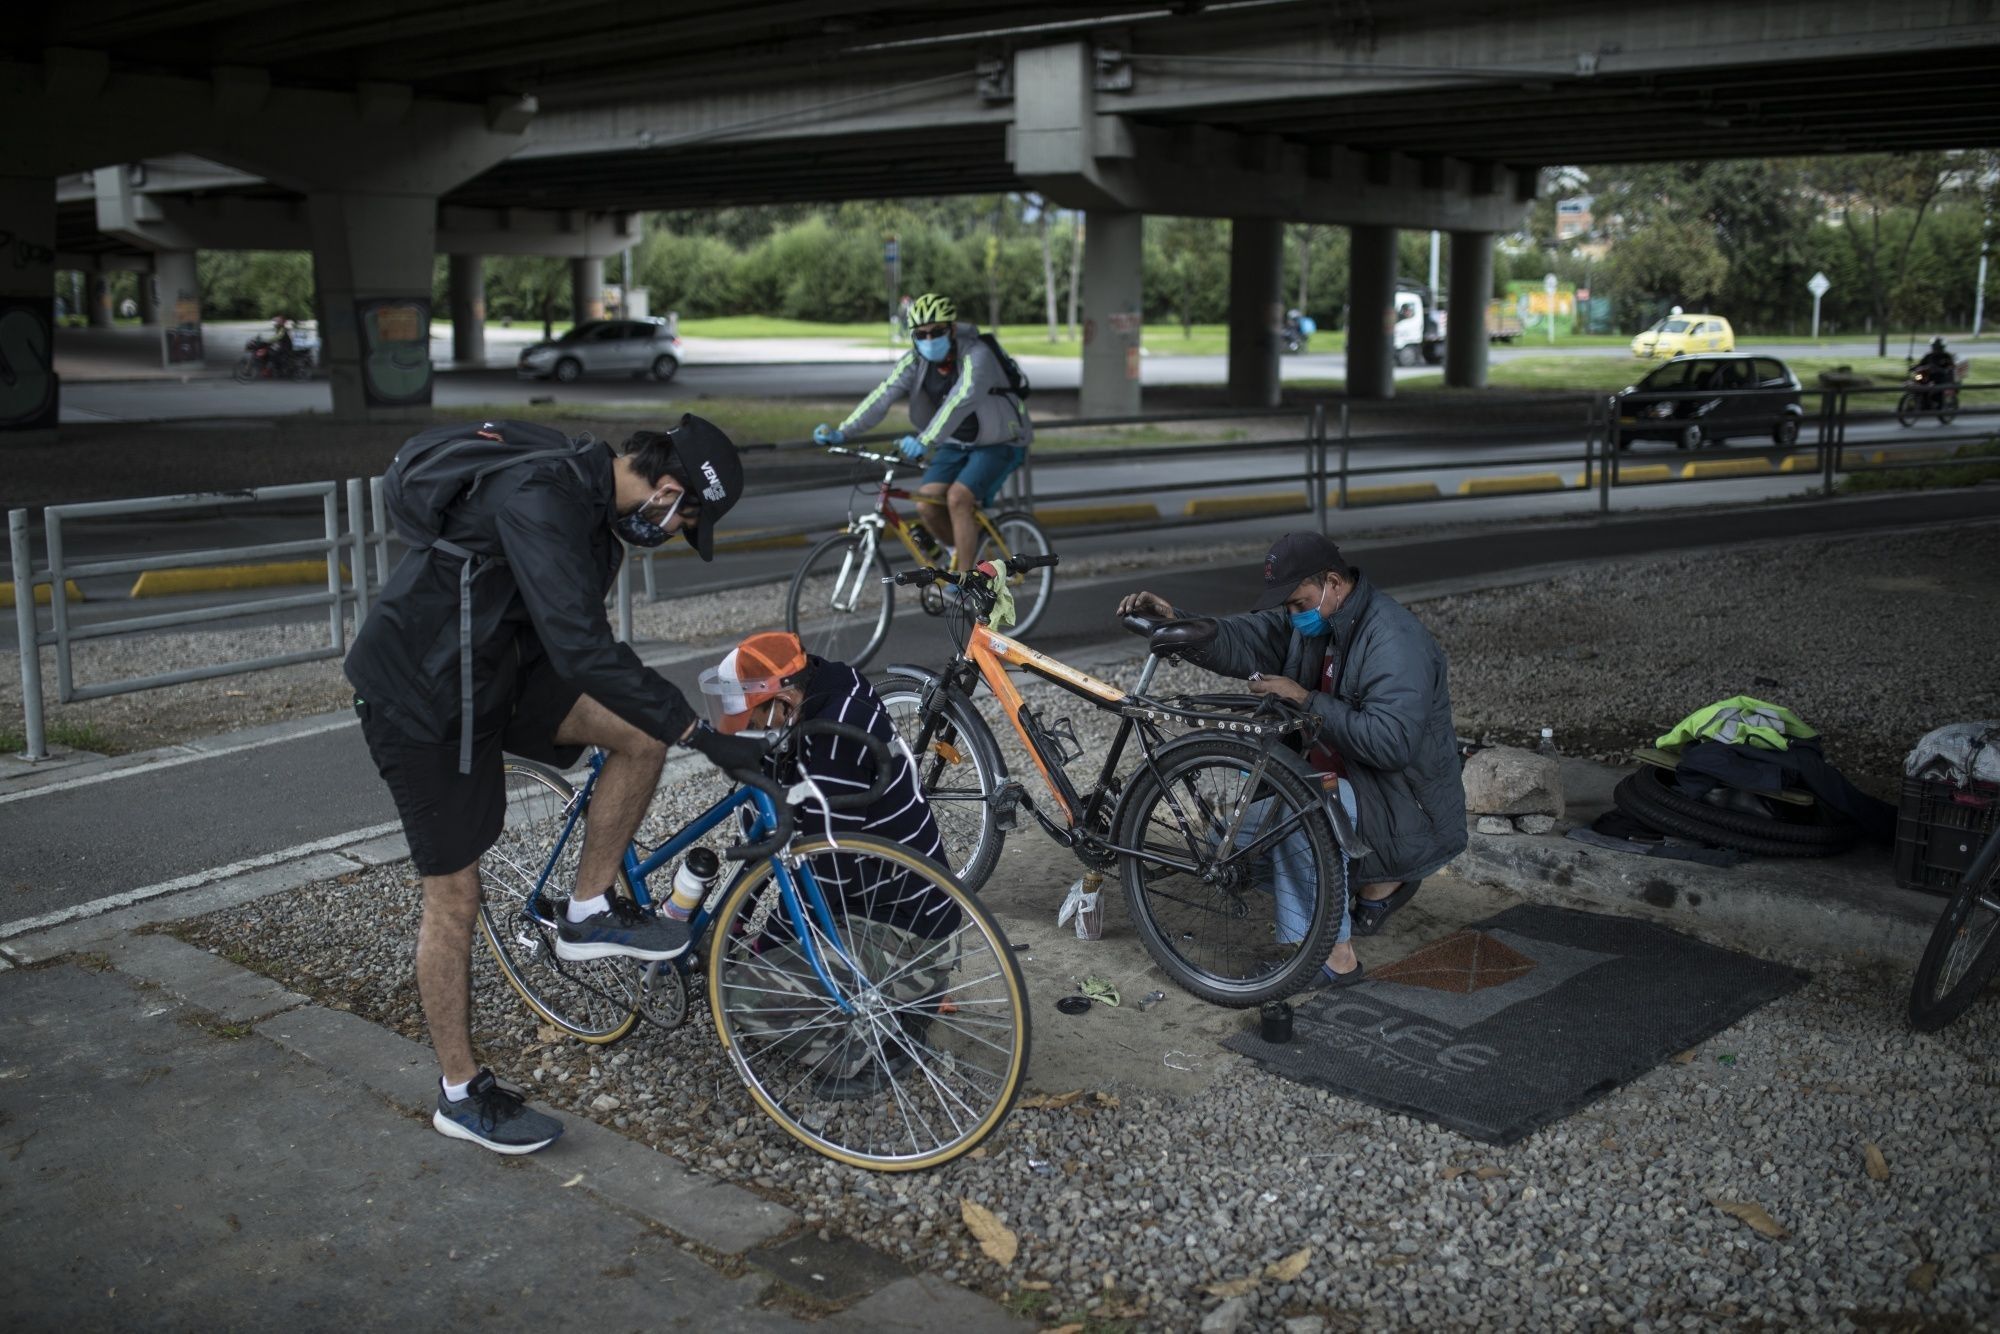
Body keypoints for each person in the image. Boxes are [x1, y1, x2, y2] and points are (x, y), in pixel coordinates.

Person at [345, 414, 766, 1155]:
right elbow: (582, 643)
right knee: (455, 897)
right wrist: (697, 733)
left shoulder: (593, 503)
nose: (670, 534)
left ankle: (588, 906)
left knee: (637, 738)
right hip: (424, 694)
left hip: (499, 672)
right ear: (667, 492)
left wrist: (670, 725)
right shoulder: (542, 495)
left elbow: (571, 643)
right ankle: (459, 1092)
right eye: (681, 522)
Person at [1116, 532, 1467, 985]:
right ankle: (1371, 884)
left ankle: (1334, 958)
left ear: (1334, 583)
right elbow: (1242, 636)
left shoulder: (1394, 640)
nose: (1292, 615)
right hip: (1350, 788)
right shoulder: (1316, 621)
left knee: (1303, 814)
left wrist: (1304, 698)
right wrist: (1179, 623)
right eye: (1289, 607)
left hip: (1401, 806)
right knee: (1229, 843)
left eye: (1299, 603)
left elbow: (1391, 742)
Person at [698, 631, 961, 1097]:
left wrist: (764, 949)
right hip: (916, 906)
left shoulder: (832, 743)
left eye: (752, 718)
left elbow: (824, 878)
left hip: (902, 930)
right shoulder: (836, 693)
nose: (746, 730)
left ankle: (873, 1051)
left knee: (737, 998)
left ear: (782, 701)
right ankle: (904, 1001)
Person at [812, 292, 1031, 573]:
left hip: (999, 441)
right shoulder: (915, 359)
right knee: (927, 503)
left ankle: (967, 585)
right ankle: (969, 556)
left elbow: (961, 399)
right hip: (955, 442)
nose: (928, 340)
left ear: (951, 329)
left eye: (936, 332)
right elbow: (884, 394)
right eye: (921, 334)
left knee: (958, 499)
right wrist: (843, 432)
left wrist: (925, 440)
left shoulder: (978, 355)